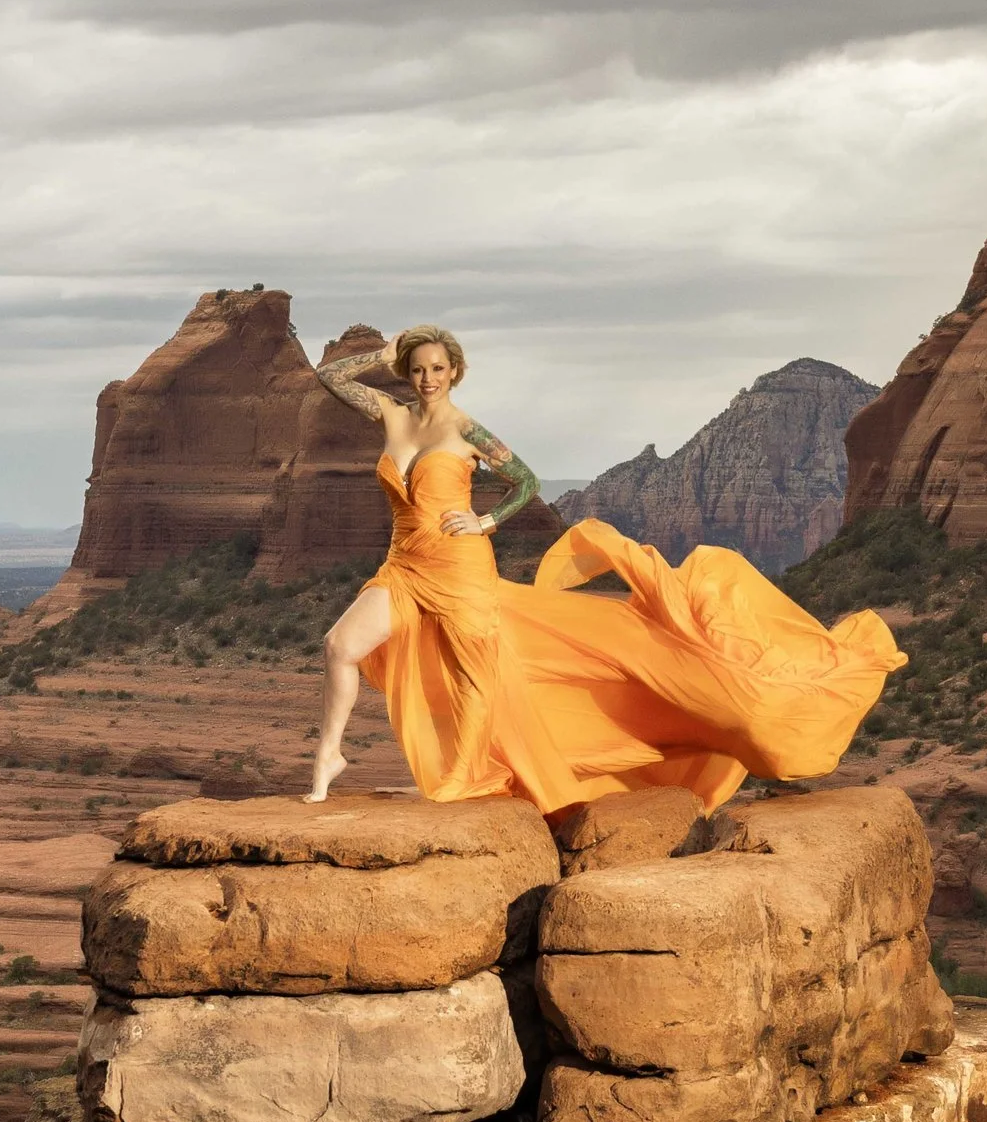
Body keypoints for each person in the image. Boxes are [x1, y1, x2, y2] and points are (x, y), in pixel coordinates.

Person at [302, 323, 905, 809]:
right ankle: (330, 755)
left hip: (460, 567)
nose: (428, 378)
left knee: (475, 679)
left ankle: (463, 777)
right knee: (340, 645)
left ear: (455, 373)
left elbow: (527, 480)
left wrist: (484, 522)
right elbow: (330, 375)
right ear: (407, 372)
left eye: (439, 368)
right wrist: (385, 350)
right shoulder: (391, 414)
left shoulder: (469, 431)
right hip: (404, 565)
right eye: (419, 368)